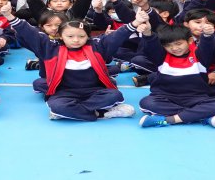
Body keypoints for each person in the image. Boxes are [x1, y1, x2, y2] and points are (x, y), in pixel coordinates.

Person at [10, 7, 138, 122]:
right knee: (57, 105)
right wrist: (10, 17)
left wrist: (136, 23)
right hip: (64, 92)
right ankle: (101, 113)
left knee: (114, 95)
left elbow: (118, 36)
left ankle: (73, 112)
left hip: (94, 91)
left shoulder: (96, 46)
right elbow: (31, 34)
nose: (76, 40)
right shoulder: (51, 48)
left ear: (88, 36)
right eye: (70, 36)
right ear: (61, 36)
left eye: (81, 36)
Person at [135, 23, 215, 128]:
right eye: (168, 45)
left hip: (197, 99)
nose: (174, 48)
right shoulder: (161, 57)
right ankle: (200, 116)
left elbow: (207, 46)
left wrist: (208, 35)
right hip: (165, 97)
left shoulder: (200, 56)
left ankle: (169, 120)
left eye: (178, 43)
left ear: (190, 41)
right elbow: (151, 45)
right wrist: (147, 33)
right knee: (147, 103)